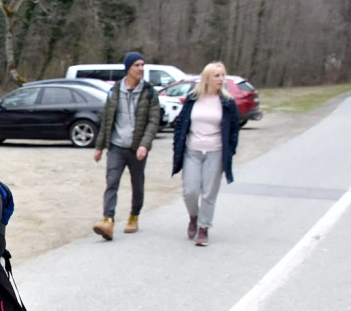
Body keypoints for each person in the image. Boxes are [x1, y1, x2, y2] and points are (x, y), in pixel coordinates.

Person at [92, 51, 160, 240]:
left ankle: (134, 216)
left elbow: (153, 121)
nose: (141, 69)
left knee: (137, 184)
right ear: (128, 68)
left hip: (137, 147)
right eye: (136, 65)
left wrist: (144, 145)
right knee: (111, 182)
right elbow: (107, 120)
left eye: (142, 65)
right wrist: (99, 147)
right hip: (116, 146)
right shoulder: (114, 91)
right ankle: (108, 221)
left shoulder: (149, 92)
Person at [171, 61, 240, 246]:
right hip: (192, 150)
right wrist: (176, 145)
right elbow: (180, 124)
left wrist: (230, 150)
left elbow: (234, 129)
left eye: (222, 75)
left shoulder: (227, 102)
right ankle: (193, 216)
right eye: (217, 75)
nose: (221, 79)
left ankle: (203, 228)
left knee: (209, 193)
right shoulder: (193, 98)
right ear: (207, 78)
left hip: (215, 152)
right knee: (190, 191)